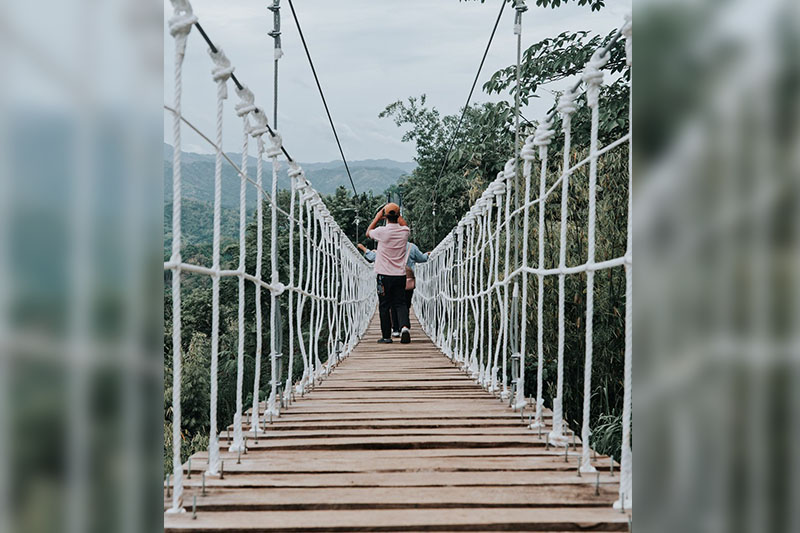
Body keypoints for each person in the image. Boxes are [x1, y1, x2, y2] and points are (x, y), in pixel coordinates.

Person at [358, 241, 429, 338]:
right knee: (404, 304)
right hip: (407, 280)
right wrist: (429, 254)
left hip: (390, 279)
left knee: (392, 304)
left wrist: (364, 249)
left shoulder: (386, 245)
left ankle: (395, 329)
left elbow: (373, 258)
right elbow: (422, 259)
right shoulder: (411, 247)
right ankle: (404, 327)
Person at [365, 203, 411, 344]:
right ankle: (404, 327)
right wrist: (394, 213)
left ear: (385, 216)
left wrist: (378, 217)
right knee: (400, 303)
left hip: (383, 276)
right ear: (398, 216)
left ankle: (386, 336)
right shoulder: (405, 232)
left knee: (384, 305)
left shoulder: (380, 231)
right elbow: (404, 224)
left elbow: (368, 232)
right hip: (400, 275)